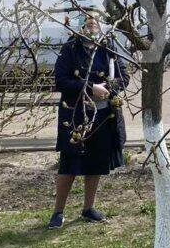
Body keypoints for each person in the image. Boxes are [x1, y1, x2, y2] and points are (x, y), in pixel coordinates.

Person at [48, 12, 128, 229]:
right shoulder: (70, 48)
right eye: (87, 21)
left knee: (96, 163)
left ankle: (88, 208)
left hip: (103, 116)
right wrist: (90, 88)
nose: (92, 23)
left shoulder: (108, 47)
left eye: (95, 21)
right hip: (76, 116)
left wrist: (108, 89)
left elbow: (124, 76)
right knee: (69, 164)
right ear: (80, 26)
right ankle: (58, 212)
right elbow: (61, 81)